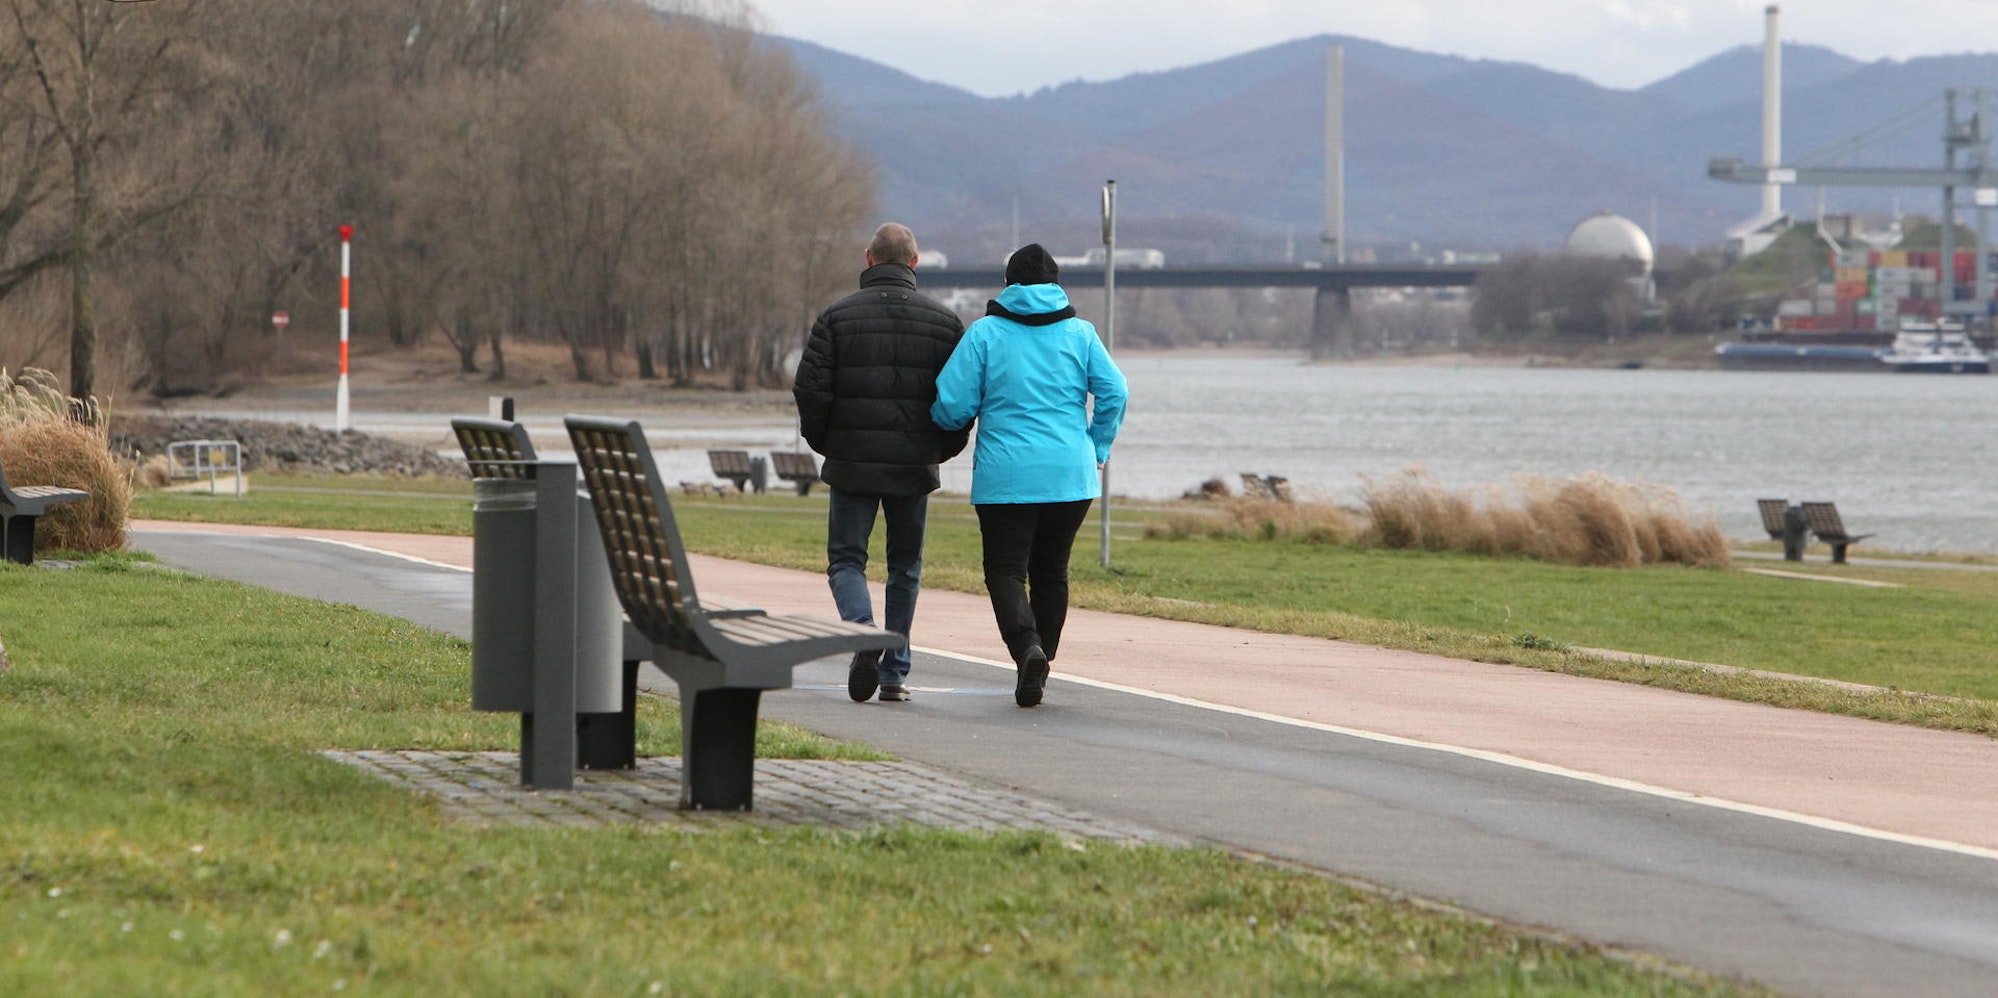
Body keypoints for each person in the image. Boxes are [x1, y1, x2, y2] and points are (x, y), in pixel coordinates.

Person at [930, 243, 1127, 708]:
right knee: (1051, 570)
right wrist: (1097, 446)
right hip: (1070, 476)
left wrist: (944, 421)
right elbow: (1115, 391)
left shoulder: (984, 335)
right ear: (1057, 284)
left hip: (1006, 476)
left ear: (1009, 283)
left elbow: (952, 406)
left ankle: (1026, 650)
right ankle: (1043, 658)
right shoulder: (1081, 334)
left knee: (1005, 569)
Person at [794, 222, 968, 703]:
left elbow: (809, 389)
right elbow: (960, 399)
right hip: (914, 464)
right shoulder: (945, 323)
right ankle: (894, 674)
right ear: (914, 263)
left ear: (869, 259)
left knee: (847, 560)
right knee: (904, 568)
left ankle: (863, 631)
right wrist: (940, 448)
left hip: (851, 460)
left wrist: (827, 441)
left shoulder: (836, 317)